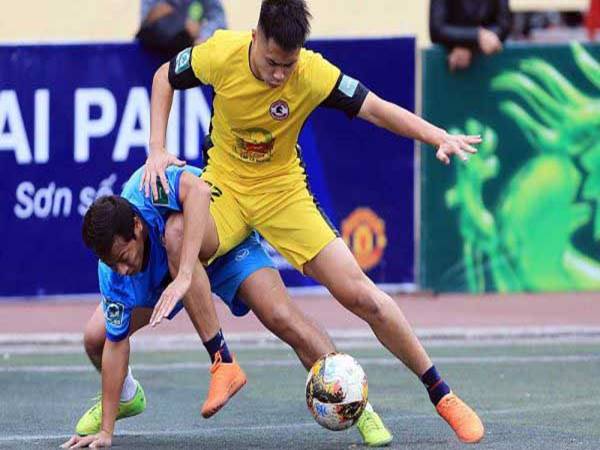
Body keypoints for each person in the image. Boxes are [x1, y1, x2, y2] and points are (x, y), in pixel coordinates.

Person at [143, 0, 485, 444]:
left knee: (362, 295)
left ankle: (442, 394)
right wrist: (156, 148)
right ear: (255, 37)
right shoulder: (221, 52)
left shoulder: (312, 72)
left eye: (288, 65)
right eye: (271, 62)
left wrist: (435, 135)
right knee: (175, 233)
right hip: (225, 190)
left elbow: (377, 109)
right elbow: (164, 77)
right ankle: (221, 362)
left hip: (283, 195)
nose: (279, 75)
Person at [61, 164, 393, 448]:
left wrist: (186, 272)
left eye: (124, 257)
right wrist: (107, 432)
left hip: (220, 249)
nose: (121, 269)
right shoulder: (114, 273)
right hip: (167, 284)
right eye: (112, 263)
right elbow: (116, 344)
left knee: (282, 317)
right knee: (96, 337)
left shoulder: (149, 187)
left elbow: (200, 191)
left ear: (137, 226)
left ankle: (359, 406)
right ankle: (127, 397)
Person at [430, 0, 511, 71]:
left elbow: (504, 26)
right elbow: (437, 29)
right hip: (448, 66)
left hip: (490, 65)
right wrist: (476, 37)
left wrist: (471, 45)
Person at [137, 0, 227, 58]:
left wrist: (203, 33)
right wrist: (156, 12)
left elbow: (219, 20)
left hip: (186, 51)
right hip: (151, 48)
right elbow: (144, 20)